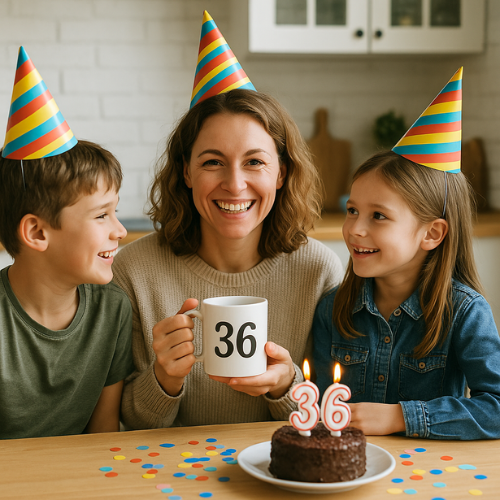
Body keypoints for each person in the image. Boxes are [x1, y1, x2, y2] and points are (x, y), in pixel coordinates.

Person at [112, 11, 343, 429]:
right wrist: (163, 379)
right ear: (185, 172)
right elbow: (128, 422)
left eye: (254, 161)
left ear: (282, 172)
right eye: (213, 162)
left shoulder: (318, 270)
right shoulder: (134, 271)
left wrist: (285, 385)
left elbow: (331, 416)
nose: (234, 185)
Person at [313, 68, 500, 440]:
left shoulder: (464, 312)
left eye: (378, 216)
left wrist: (401, 417)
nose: (355, 229)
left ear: (431, 233)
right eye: (353, 210)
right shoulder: (333, 308)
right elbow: (315, 401)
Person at [0, 47, 134, 439]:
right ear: (37, 233)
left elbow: (103, 435)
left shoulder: (112, 312)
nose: (120, 231)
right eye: (101, 215)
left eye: (116, 212)